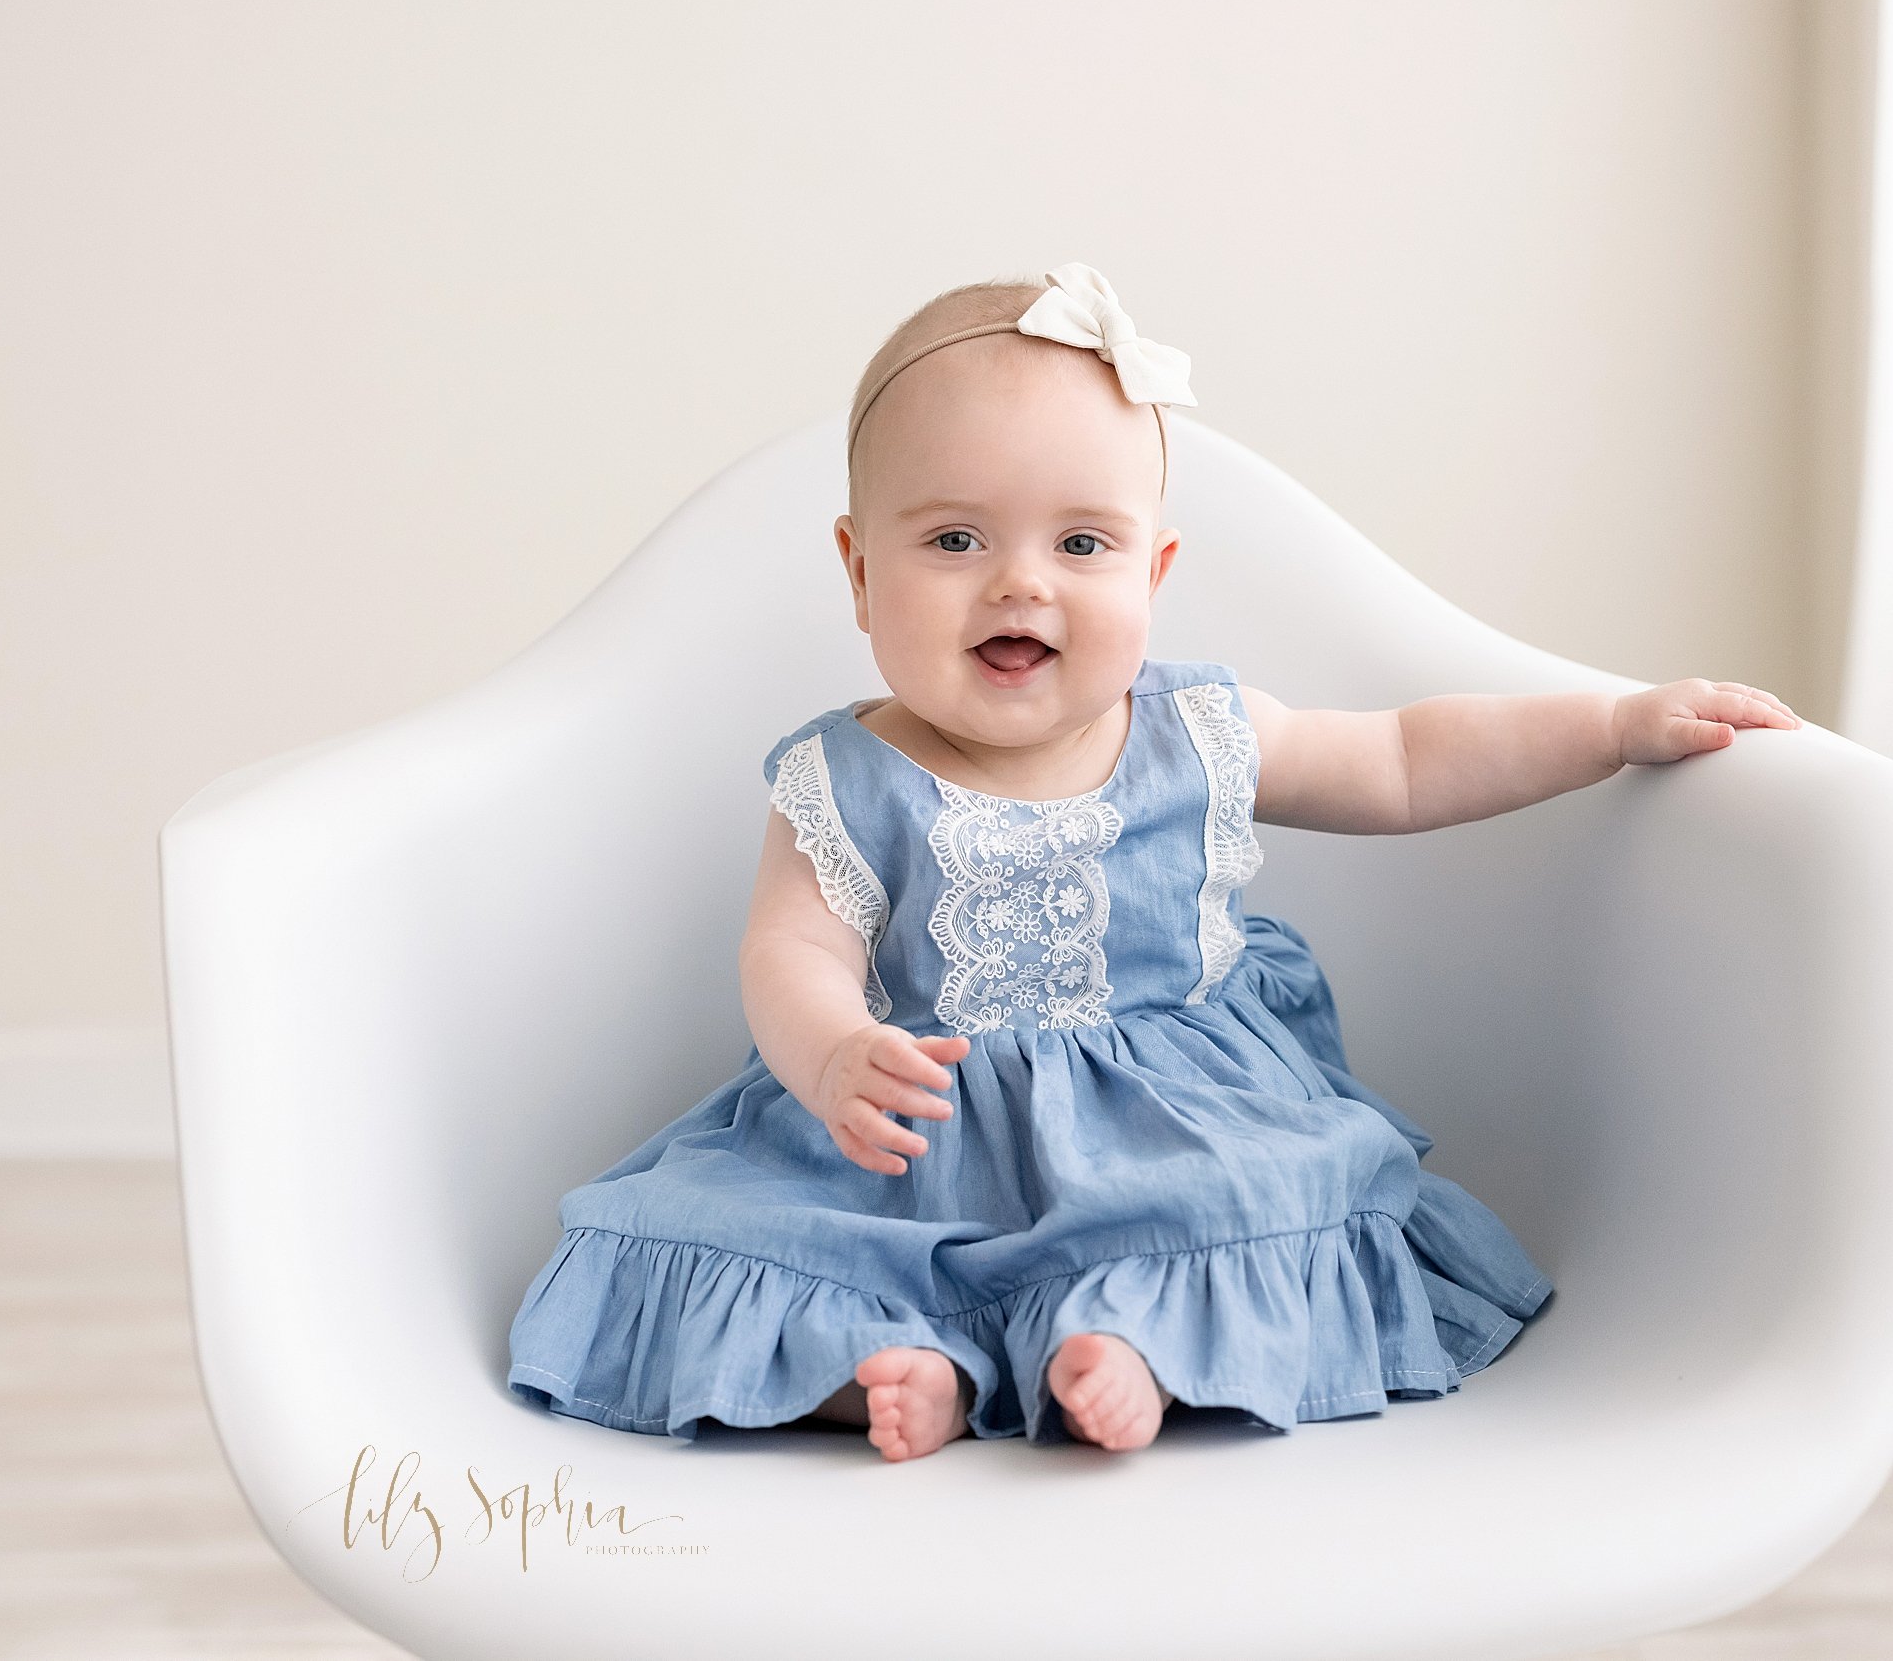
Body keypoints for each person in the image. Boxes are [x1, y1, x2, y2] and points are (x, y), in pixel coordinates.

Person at [506, 263, 1800, 1461]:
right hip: (916, 1125)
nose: (1021, 584)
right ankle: (891, 1368)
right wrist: (832, 1050)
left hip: (1168, 1127)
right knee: (764, 1232)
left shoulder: (1197, 733)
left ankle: (1126, 1343)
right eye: (956, 540)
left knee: (1242, 1201)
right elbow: (791, 948)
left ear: (1154, 570)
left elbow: (1409, 760)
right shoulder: (842, 781)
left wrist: (1613, 723)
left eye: (1082, 544)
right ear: (858, 570)